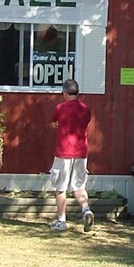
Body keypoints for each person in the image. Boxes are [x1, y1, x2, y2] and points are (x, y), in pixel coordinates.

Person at [48, 79, 95, 232]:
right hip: (81, 153)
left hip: (63, 153)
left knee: (61, 188)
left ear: (65, 93)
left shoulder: (60, 108)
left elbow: (54, 123)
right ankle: (86, 210)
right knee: (79, 186)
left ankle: (61, 221)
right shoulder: (85, 108)